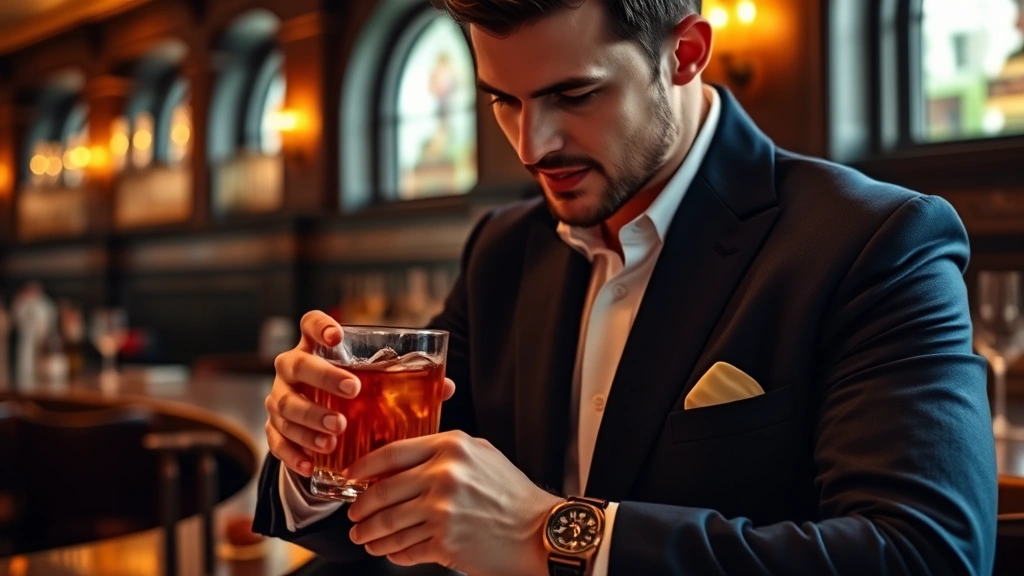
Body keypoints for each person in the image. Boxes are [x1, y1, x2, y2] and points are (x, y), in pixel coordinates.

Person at [254, 1, 997, 574]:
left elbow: (925, 554)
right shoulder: (502, 251)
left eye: (573, 95)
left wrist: (553, 534)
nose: (531, 144)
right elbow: (415, 500)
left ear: (686, 53)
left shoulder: (876, 240)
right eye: (503, 100)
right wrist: (320, 458)